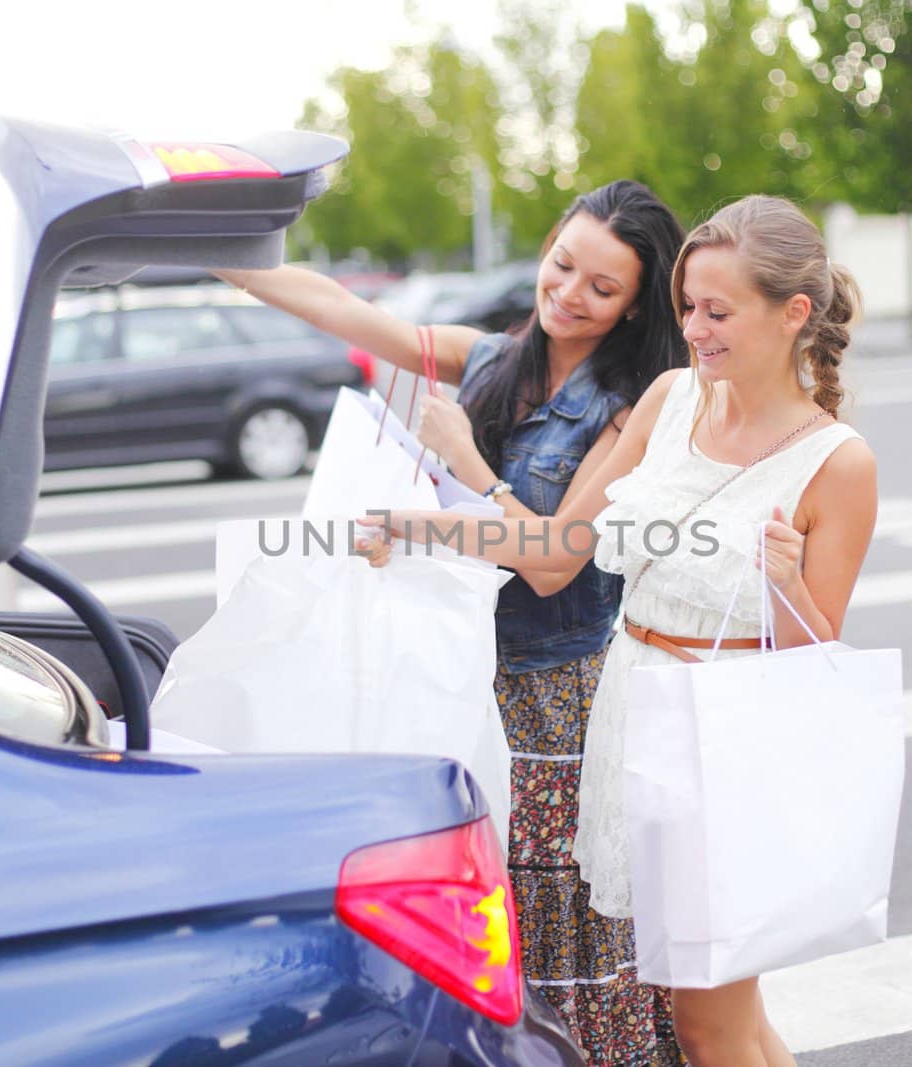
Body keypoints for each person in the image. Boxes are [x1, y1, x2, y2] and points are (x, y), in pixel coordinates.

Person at [359, 194, 878, 1067]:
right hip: (629, 722)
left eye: (718, 311)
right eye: (687, 307)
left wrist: (785, 582)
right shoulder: (673, 397)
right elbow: (558, 543)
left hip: (726, 746)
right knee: (715, 1014)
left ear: (794, 314)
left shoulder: (839, 462)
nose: (695, 330)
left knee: (708, 1024)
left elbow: (813, 664)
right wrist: (414, 523)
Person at [216, 180, 691, 1065]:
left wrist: (466, 463)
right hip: (459, 669)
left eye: (602, 287)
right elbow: (349, 312)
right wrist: (229, 263)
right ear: (547, 248)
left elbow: (554, 558)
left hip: (556, 705)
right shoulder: (489, 362)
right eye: (563, 265)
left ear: (632, 307)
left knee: (559, 929)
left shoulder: (625, 408)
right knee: (474, 903)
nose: (569, 294)